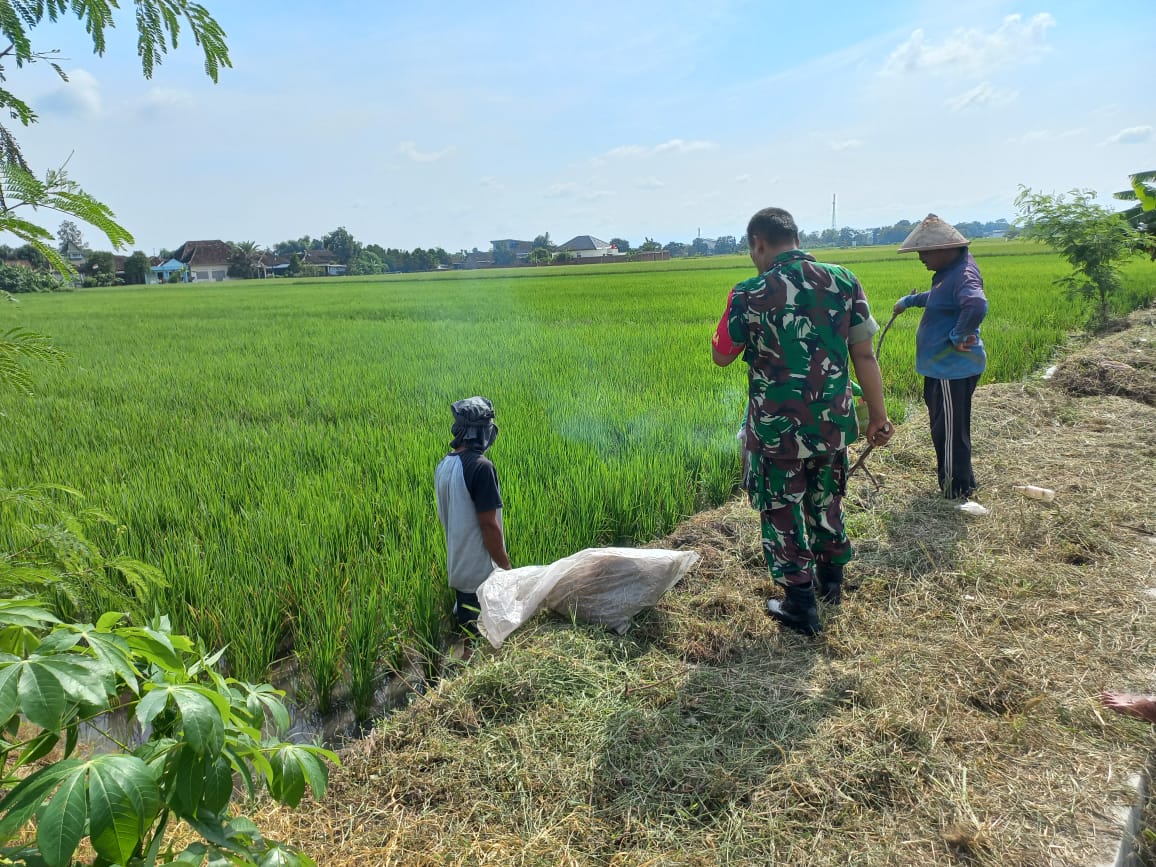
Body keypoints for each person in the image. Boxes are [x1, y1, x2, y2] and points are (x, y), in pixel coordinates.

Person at [712, 207, 893, 635]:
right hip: (831, 423)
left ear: (758, 243)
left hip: (776, 430)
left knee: (781, 509)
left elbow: (721, 355)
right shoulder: (844, 280)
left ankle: (800, 604)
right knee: (826, 500)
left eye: (751, 251)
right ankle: (832, 583)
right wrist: (879, 417)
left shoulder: (749, 292)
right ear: (796, 237)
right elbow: (864, 354)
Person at [893, 214, 989, 500]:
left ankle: (955, 490)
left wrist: (959, 335)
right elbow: (940, 297)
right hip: (942, 369)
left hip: (950, 370)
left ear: (944, 249)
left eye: (925, 252)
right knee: (948, 427)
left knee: (948, 432)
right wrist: (911, 301)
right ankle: (963, 482)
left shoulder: (963, 274)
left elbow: (976, 304)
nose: (921, 258)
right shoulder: (951, 272)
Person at [434, 396, 511, 637]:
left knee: (470, 637)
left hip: (459, 569)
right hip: (481, 576)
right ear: (480, 432)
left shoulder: (444, 465)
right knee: (484, 641)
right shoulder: (481, 467)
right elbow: (489, 526)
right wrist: (506, 568)